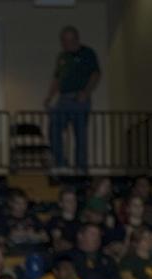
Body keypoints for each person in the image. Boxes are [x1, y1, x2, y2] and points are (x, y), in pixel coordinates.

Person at [45, 26, 101, 173]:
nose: (65, 44)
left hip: (79, 98)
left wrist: (86, 92)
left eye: (68, 40)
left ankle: (81, 167)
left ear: (76, 39)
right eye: (63, 41)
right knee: (54, 128)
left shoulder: (87, 53)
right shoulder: (62, 57)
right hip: (63, 99)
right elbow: (57, 79)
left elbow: (95, 74)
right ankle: (61, 163)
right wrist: (49, 97)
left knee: (80, 134)